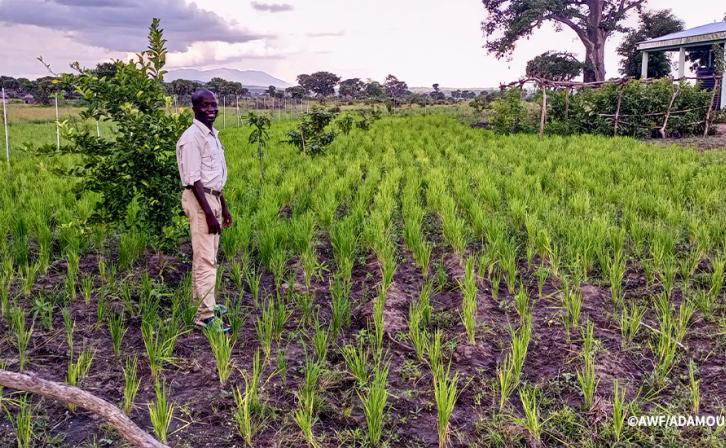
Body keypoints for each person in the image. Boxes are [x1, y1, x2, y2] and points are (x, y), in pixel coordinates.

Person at [176, 89, 232, 332]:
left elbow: (214, 178)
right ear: (195, 109)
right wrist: (209, 213)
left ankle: (202, 303)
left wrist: (223, 207)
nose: (211, 109)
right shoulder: (191, 139)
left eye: (214, 105)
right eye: (205, 106)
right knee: (205, 258)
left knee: (210, 254)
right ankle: (205, 316)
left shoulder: (211, 135)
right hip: (201, 202)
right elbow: (193, 180)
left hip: (213, 199)